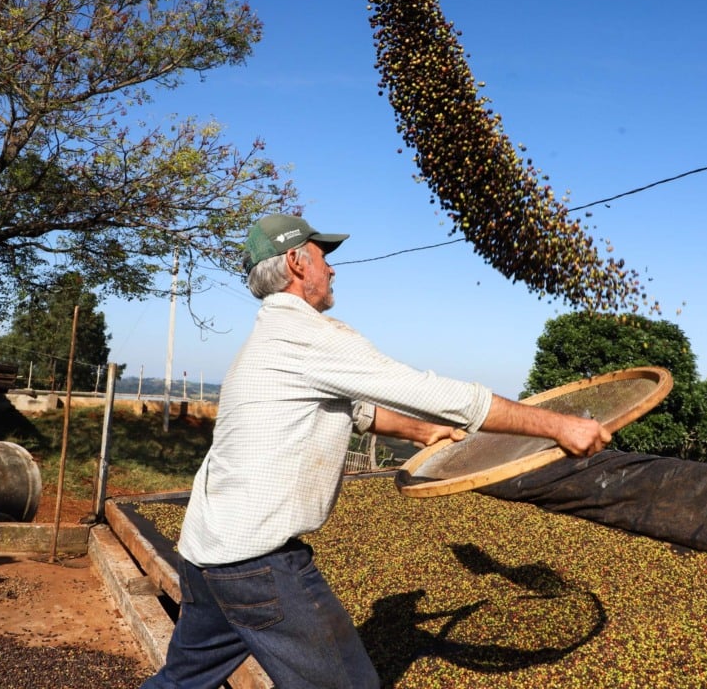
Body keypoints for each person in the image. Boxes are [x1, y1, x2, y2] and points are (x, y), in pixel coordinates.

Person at [141, 213, 611, 689]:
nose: (332, 269)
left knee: (182, 680)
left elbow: (357, 409)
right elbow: (435, 393)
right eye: (323, 258)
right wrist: (559, 425)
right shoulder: (309, 336)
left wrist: (421, 432)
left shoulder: (269, 339)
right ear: (296, 263)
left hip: (205, 550)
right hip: (255, 564)